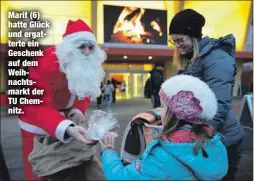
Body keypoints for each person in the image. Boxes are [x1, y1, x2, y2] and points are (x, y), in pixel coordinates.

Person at [18, 19, 107, 180]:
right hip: (36, 127)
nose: (87, 52)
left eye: (91, 47)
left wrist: (77, 111)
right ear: (69, 47)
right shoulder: (45, 62)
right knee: (39, 171)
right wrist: (66, 127)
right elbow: (35, 105)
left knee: (72, 169)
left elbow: (84, 90)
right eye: (81, 47)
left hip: (67, 123)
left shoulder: (89, 64)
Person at [99, 75, 228, 180]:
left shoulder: (159, 157)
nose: (158, 111)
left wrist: (108, 152)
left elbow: (119, 177)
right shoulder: (215, 143)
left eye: (162, 106)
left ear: (173, 114)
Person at [168, 9, 245, 180]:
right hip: (205, 137)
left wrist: (204, 132)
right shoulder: (192, 58)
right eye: (173, 41)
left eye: (180, 40)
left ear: (194, 35)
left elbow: (219, 102)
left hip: (223, 140)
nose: (177, 45)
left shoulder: (216, 58)